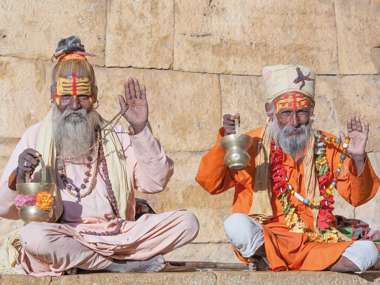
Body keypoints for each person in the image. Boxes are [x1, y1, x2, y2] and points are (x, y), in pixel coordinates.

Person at [0, 36, 199, 276]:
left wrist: (140, 129)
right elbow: (5, 208)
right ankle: (114, 265)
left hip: (120, 234)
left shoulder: (115, 134)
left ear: (94, 96)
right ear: (53, 96)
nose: (75, 105)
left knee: (188, 223)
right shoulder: (36, 136)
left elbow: (155, 182)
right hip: (66, 235)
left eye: (82, 96)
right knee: (34, 237)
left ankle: (88, 262)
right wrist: (21, 177)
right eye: (66, 97)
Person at [196, 64, 379, 272]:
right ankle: (294, 262)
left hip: (315, 242)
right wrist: (226, 143)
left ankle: (275, 263)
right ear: (270, 112)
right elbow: (210, 183)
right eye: (285, 113)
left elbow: (358, 197)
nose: (294, 121)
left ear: (312, 111)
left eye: (301, 112)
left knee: (367, 253)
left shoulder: (326, 145)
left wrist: (357, 157)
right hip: (268, 239)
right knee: (236, 225)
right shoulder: (250, 143)